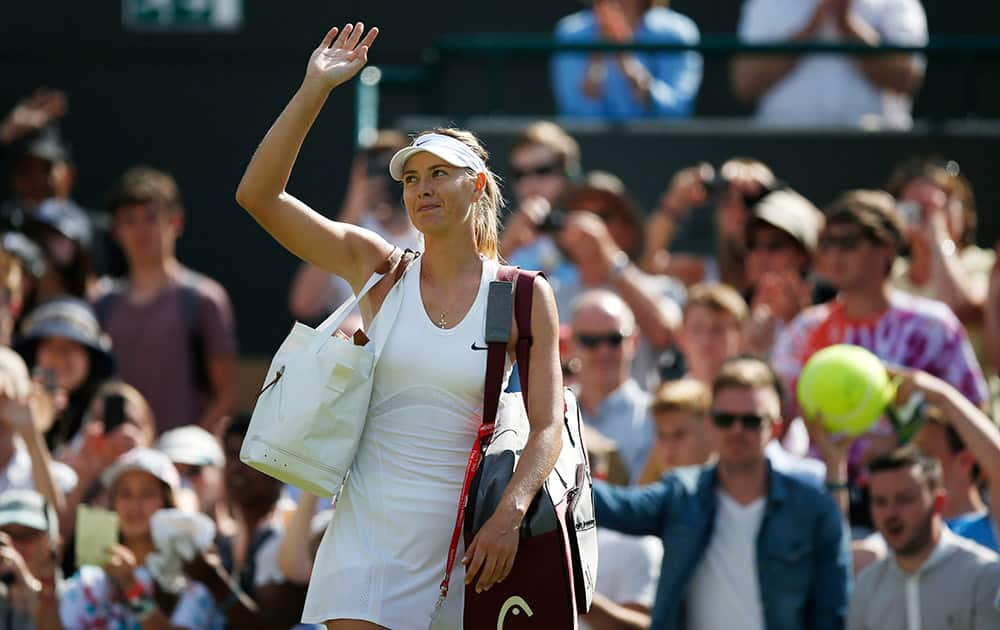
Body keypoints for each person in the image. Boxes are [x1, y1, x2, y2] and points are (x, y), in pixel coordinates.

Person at [235, 21, 564, 629]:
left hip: (470, 548)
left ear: (480, 185)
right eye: (411, 178)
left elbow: (548, 427)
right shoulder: (377, 268)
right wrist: (316, 89)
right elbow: (259, 196)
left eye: (440, 173)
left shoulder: (524, 295)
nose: (422, 188)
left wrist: (508, 517)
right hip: (363, 540)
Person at [593, 356, 850, 629]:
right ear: (709, 424)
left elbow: (832, 612)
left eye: (751, 421)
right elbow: (611, 506)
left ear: (775, 428)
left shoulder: (812, 509)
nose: (737, 430)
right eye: (725, 419)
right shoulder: (682, 494)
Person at [96, 166, 238, 435]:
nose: (141, 230)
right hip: (116, 463)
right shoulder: (100, 302)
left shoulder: (204, 298)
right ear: (116, 231)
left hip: (181, 466)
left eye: (151, 218)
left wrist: (184, 457)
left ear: (175, 222)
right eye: (129, 220)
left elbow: (226, 395)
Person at [59, 448, 225, 629]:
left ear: (167, 501)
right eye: (125, 494)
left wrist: (132, 587)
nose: (135, 505)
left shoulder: (192, 574)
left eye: (147, 494)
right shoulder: (90, 580)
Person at [847, 446, 1000, 630]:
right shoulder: (867, 586)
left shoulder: (984, 576)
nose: (890, 513)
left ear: (938, 502)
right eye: (880, 502)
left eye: (905, 499)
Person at [732, 0, 928, 129]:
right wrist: (811, 28)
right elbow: (745, 85)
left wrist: (846, 25)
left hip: (876, 149)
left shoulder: (899, 4)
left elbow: (907, 78)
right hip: (784, 150)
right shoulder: (766, 4)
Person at [288, 129, 416, 324]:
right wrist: (351, 211)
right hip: (353, 345)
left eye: (392, 173)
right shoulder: (350, 234)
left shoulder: (428, 234)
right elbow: (304, 304)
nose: (383, 181)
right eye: (375, 172)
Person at [887, 157, 992, 334]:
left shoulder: (986, 264)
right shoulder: (889, 275)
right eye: (916, 208)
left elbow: (960, 308)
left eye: (940, 206)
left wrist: (938, 236)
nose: (929, 216)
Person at [901, 368, 1000, 552]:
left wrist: (943, 396)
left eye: (926, 455)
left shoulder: (993, 525)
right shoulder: (902, 534)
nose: (915, 467)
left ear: (965, 461)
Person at [642, 157, 779, 290]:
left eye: (749, 200)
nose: (737, 211)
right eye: (726, 198)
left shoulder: (790, 270)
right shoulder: (702, 276)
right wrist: (675, 202)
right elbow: (645, 267)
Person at [552, 0, 702, 120]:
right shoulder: (570, 32)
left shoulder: (677, 32)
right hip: (592, 149)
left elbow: (676, 110)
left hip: (661, 149)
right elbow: (573, 111)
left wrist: (628, 64)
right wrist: (598, 55)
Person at [14, 297, 116, 452]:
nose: (58, 357)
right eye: (49, 344)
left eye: (70, 346)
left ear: (90, 357)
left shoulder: (111, 405)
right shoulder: (15, 403)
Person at [571, 290, 652, 484]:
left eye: (614, 339)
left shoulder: (655, 417)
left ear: (634, 340)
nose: (603, 351)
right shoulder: (553, 413)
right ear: (571, 345)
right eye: (590, 341)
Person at [0, 488, 63, 630]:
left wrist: (28, 586)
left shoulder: (75, 595)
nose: (15, 546)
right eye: (7, 535)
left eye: (28, 535)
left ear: (51, 543)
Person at [638, 378, 713, 484]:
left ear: (708, 431)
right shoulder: (648, 495)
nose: (668, 447)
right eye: (661, 435)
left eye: (679, 435)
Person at [675, 282, 747, 384]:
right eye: (697, 329)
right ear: (681, 337)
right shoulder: (662, 399)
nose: (706, 339)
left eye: (717, 329)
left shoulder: (759, 397)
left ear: (740, 338)